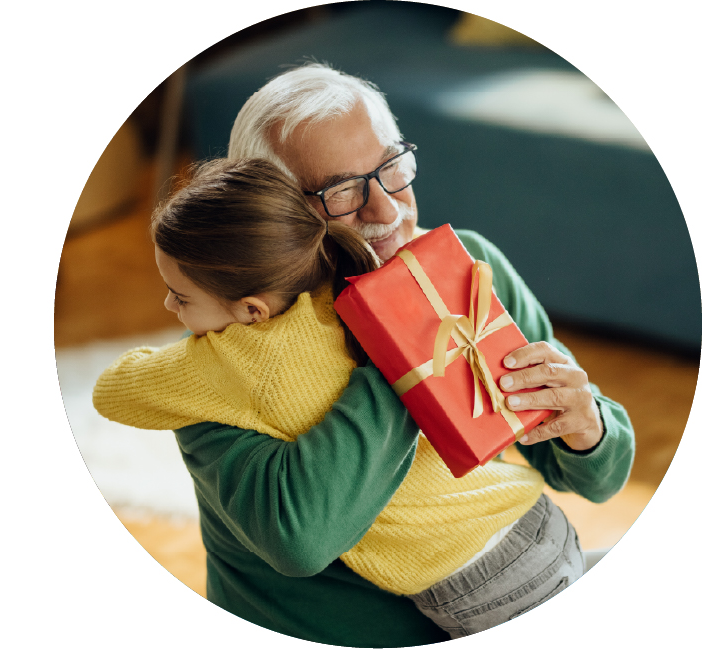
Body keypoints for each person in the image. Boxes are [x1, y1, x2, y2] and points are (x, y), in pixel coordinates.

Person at [162, 63, 634, 646]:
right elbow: (299, 542)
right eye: (341, 192)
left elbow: (594, 477)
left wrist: (587, 427)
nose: (386, 211)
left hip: (500, 602)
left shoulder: (468, 270)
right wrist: (403, 344)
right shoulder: (214, 365)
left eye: (391, 169)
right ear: (270, 209)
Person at [93, 158, 590, 639]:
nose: (168, 304)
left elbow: (111, 391)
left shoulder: (227, 362)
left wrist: (193, 349)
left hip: (487, 588)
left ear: (252, 311)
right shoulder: (359, 294)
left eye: (180, 296)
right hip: (537, 521)